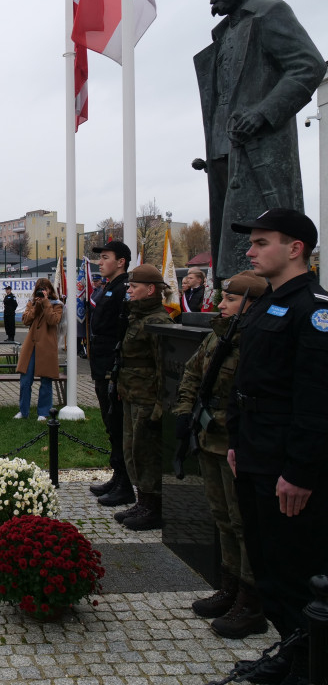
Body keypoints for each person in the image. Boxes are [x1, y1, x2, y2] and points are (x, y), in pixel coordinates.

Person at [226, 208, 328, 685]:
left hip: (286, 467)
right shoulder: (269, 302)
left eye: (262, 242)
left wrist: (302, 472)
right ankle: (291, 651)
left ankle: (308, 666)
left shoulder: (315, 307)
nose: (250, 250)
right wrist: (234, 443)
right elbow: (247, 381)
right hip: (255, 454)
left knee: (295, 572)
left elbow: (316, 401)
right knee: (268, 570)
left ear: (295, 248)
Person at [193, 0, 325, 281]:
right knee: (233, 239)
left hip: (260, 146)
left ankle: (263, 299)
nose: (212, 2)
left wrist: (262, 113)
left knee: (264, 229)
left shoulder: (270, 13)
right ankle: (233, 303)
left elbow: (309, 66)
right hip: (224, 149)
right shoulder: (224, 33)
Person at [174, 270, 268, 640]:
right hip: (208, 437)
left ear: (250, 304)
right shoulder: (218, 335)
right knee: (221, 515)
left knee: (243, 521)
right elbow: (191, 374)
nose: (221, 304)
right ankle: (229, 585)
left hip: (236, 443)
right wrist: (184, 412)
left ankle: (251, 599)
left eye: (229, 299)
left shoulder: (256, 342)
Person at [113, 264, 173, 531]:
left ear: (150, 290)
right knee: (132, 451)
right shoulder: (137, 317)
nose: (129, 291)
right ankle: (142, 500)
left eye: (134, 286)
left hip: (148, 399)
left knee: (147, 453)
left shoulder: (158, 321)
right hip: (131, 394)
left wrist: (160, 405)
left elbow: (164, 367)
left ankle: (154, 507)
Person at [87, 240, 135, 507]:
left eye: (105, 258)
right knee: (110, 424)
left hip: (113, 369)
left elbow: (122, 331)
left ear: (121, 262)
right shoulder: (109, 288)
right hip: (101, 367)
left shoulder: (123, 290)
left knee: (118, 425)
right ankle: (118, 476)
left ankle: (125, 484)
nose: (100, 262)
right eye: (100, 258)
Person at [15, 278, 64, 421]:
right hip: (31, 346)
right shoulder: (32, 303)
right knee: (25, 381)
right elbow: (25, 320)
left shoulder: (57, 305)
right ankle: (23, 411)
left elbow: (53, 320)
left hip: (47, 347)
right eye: (40, 288)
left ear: (50, 290)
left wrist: (46, 303)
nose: (43, 291)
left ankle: (43, 412)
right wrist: (37, 306)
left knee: (46, 382)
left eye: (45, 288)